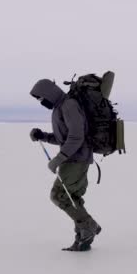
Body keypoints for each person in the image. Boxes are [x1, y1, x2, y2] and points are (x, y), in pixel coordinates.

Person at [29, 79, 101, 251]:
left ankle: (89, 226)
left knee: (59, 195)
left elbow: (77, 137)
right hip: (74, 158)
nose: (41, 102)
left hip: (77, 159)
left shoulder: (68, 105)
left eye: (41, 98)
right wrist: (43, 136)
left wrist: (58, 159)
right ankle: (83, 239)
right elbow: (64, 137)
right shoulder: (60, 107)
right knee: (72, 197)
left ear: (49, 93)